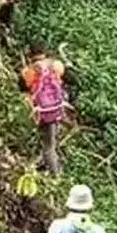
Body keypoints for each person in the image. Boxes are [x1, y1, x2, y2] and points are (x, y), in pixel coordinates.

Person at [20, 43, 67, 174]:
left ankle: (55, 174)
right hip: (56, 109)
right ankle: (53, 168)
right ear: (45, 53)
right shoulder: (56, 65)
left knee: (48, 146)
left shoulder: (28, 72)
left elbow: (22, 88)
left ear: (30, 56)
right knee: (50, 143)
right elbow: (69, 79)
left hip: (40, 112)